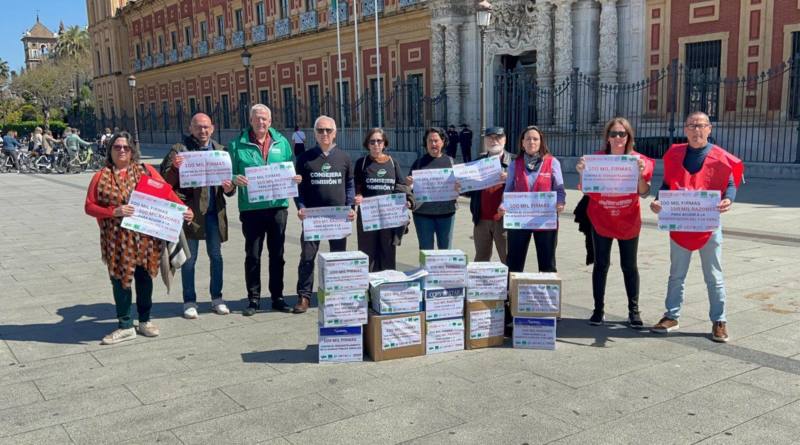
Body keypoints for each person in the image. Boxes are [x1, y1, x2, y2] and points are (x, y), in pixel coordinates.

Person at [84, 132, 194, 345]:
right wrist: (114, 211)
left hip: (145, 237)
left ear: (132, 150)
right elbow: (89, 206)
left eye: (126, 147)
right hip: (115, 239)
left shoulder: (146, 171)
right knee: (120, 282)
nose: (122, 150)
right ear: (110, 150)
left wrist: (184, 210)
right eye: (117, 147)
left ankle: (144, 320)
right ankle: (125, 325)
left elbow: (167, 194)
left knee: (144, 279)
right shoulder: (100, 175)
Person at [650, 111, 744, 342]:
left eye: (701, 125)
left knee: (714, 276)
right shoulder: (674, 154)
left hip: (708, 225)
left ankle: (719, 320)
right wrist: (659, 200)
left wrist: (728, 200)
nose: (696, 130)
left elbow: (730, 184)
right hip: (681, 224)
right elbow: (666, 184)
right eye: (691, 125)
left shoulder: (721, 158)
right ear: (685, 129)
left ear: (709, 129)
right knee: (676, 275)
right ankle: (671, 316)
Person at [575, 117, 654, 328]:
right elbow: (587, 189)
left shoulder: (639, 160)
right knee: (601, 265)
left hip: (628, 219)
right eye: (613, 134)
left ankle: (634, 311)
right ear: (607, 138)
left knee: (629, 266)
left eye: (622, 134)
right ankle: (598, 310)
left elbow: (645, 192)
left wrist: (639, 173)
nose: (618, 138)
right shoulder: (597, 160)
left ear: (629, 137)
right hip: (601, 218)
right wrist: (583, 172)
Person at [160, 113, 236, 319]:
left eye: (206, 127)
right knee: (189, 259)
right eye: (198, 127)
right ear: (190, 128)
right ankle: (189, 301)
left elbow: (229, 188)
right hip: (190, 214)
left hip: (214, 212)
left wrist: (229, 188)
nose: (202, 131)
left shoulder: (220, 151)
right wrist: (175, 169)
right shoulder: (180, 150)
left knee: (216, 257)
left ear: (212, 128)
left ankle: (217, 298)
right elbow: (166, 184)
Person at [230, 104, 300, 316]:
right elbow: (228, 175)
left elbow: (290, 168)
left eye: (265, 119)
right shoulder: (236, 145)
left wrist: (295, 178)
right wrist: (235, 179)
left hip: (278, 207)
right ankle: (253, 299)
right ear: (250, 120)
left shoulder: (282, 143)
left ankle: (277, 297)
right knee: (253, 254)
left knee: (277, 254)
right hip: (251, 209)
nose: (261, 122)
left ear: (270, 121)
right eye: (257, 118)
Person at [294, 115, 355, 313]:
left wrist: (351, 207)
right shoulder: (304, 158)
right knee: (307, 257)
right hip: (313, 218)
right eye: (320, 130)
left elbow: (349, 184)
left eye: (328, 130)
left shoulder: (344, 157)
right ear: (315, 134)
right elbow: (298, 188)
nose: (325, 134)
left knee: (338, 257)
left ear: (335, 132)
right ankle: (304, 296)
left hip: (337, 218)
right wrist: (300, 206)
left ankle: (336, 295)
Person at [499, 125, 566, 273]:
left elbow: (560, 190)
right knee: (514, 262)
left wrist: (560, 202)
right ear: (522, 143)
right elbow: (508, 190)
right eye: (528, 139)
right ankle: (512, 294)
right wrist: (503, 205)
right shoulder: (514, 164)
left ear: (541, 142)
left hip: (544, 219)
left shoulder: (552, 162)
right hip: (519, 219)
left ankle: (547, 295)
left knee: (547, 262)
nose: (532, 142)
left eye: (535, 139)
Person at [354, 128, 413, 272]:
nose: (376, 144)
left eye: (379, 141)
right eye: (372, 141)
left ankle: (386, 287)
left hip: (389, 217)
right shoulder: (361, 163)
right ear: (367, 144)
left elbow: (400, 186)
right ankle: (369, 287)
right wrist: (358, 195)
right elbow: (355, 186)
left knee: (387, 253)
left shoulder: (393, 163)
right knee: (368, 253)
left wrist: (409, 200)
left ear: (384, 143)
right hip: (368, 216)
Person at [463, 126, 512, 263]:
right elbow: (469, 191)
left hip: (505, 220)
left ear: (505, 140)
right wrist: (461, 187)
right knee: (481, 258)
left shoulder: (514, 162)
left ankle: (509, 284)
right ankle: (481, 284)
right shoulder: (477, 162)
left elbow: (525, 188)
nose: (494, 141)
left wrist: (511, 178)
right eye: (490, 138)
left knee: (508, 259)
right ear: (485, 141)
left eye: (498, 137)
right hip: (481, 219)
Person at [407, 127, 457, 250]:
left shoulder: (451, 163)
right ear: (426, 143)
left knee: (445, 251)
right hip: (422, 215)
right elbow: (409, 189)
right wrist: (409, 184)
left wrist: (459, 187)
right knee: (426, 251)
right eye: (430, 141)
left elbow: (461, 187)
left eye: (436, 140)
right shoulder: (418, 163)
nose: (433, 144)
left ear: (443, 141)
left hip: (446, 215)